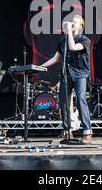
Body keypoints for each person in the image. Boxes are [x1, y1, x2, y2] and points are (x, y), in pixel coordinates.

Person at [40, 15, 93, 144]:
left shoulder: (85, 40)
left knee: (81, 100)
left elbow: (73, 47)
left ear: (81, 27)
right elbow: (56, 58)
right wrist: (39, 67)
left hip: (80, 74)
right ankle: (67, 131)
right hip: (66, 75)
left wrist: (69, 31)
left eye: (75, 23)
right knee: (63, 103)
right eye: (72, 22)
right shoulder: (63, 40)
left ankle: (87, 133)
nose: (72, 24)